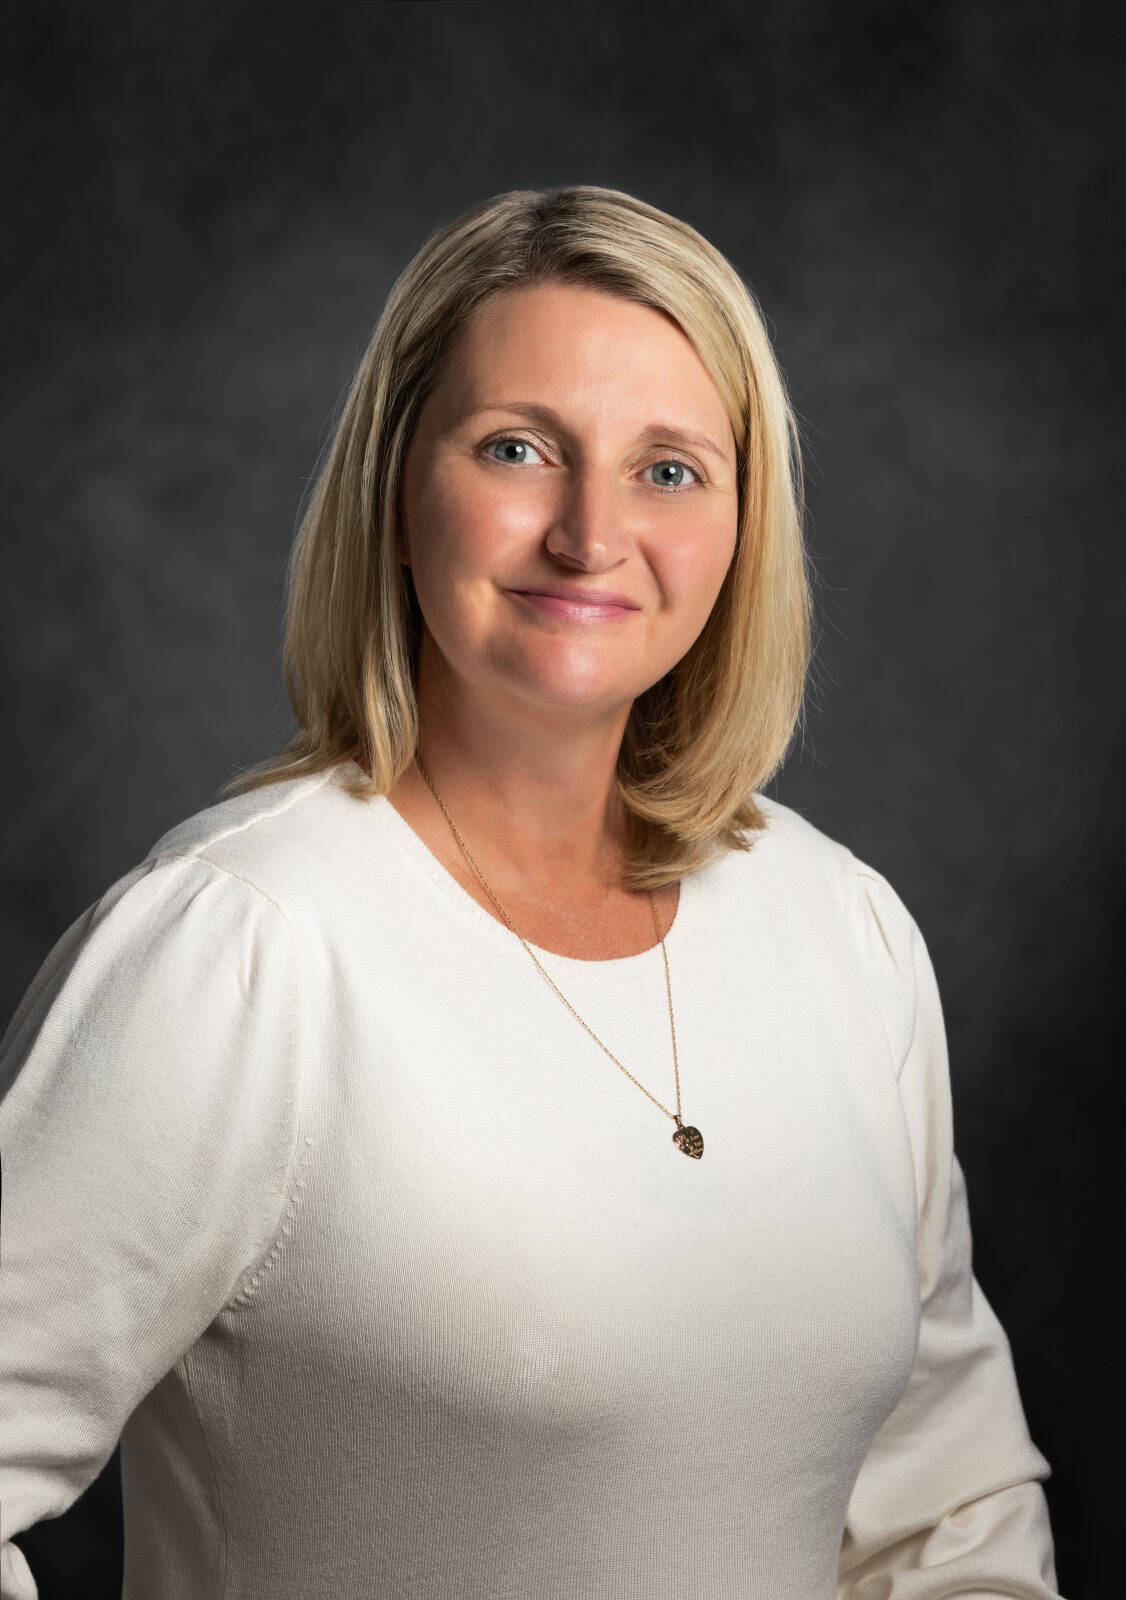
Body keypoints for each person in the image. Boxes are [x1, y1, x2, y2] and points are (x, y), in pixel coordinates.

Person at [0, 185, 1062, 1599]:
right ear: (396, 492)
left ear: (743, 527)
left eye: (669, 469)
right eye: (518, 449)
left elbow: (950, 1518)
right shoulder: (242, 948)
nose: (590, 532)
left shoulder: (841, 929)